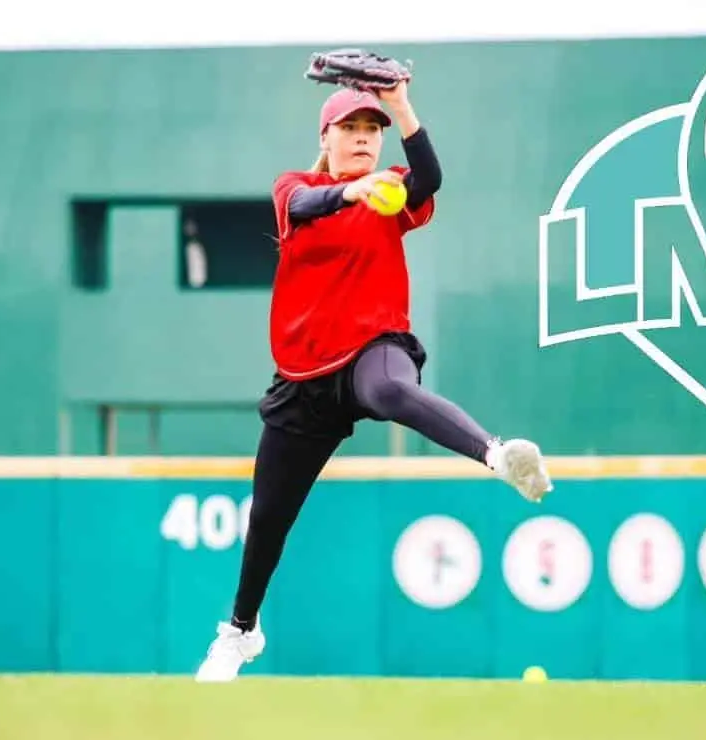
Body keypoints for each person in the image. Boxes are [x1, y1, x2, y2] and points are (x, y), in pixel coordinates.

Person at [194, 82, 553, 682]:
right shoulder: (294, 189)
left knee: (388, 392)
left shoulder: (391, 190)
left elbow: (430, 178)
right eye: (350, 128)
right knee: (269, 518)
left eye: (371, 129)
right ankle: (240, 631)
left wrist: (402, 106)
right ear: (326, 137)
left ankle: (496, 455)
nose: (363, 139)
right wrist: (350, 191)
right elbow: (305, 205)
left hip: (373, 348)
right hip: (303, 377)